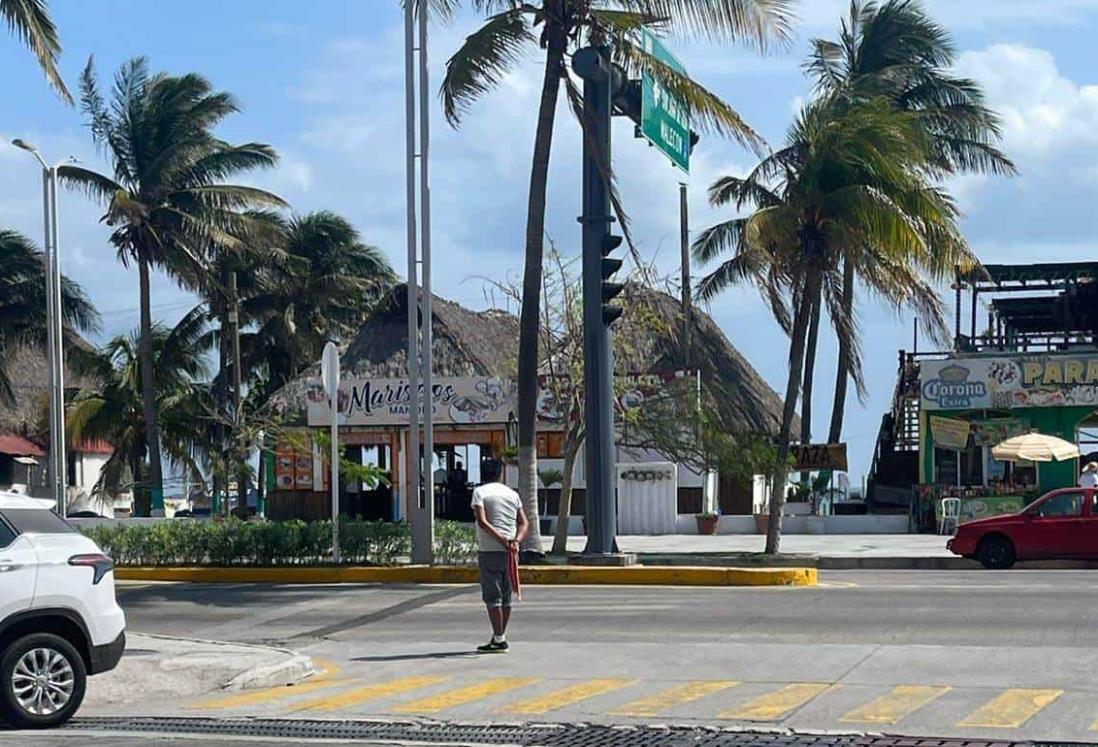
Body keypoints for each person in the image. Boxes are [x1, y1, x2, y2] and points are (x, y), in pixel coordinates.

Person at [471, 458, 527, 653]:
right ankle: (499, 637)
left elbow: (482, 522)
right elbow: (523, 522)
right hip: (511, 553)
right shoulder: (512, 494)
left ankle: (499, 639)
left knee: (492, 597)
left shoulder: (479, 492)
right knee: (506, 597)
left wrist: (502, 540)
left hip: (489, 551)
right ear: (500, 474)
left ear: (482, 474)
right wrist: (516, 541)